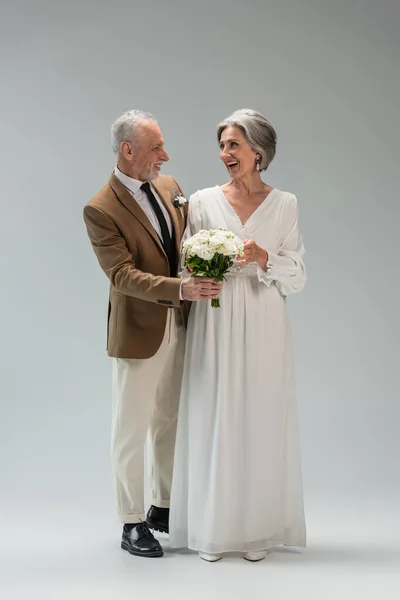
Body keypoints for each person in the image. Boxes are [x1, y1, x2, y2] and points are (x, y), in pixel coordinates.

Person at [169, 108, 307, 562]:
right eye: (223, 144)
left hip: (265, 321)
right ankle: (214, 530)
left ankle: (255, 532)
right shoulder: (204, 202)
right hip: (216, 318)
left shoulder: (285, 204)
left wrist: (264, 256)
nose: (225, 152)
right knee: (214, 413)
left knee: (260, 416)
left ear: (258, 152)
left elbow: (298, 276)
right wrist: (202, 273)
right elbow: (184, 263)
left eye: (234, 145)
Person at [83, 109, 221, 558]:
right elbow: (121, 275)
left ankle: (162, 506)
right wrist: (180, 287)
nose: (166, 154)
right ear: (128, 150)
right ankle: (131, 522)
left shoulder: (170, 187)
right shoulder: (100, 208)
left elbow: (183, 245)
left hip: (180, 323)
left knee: (169, 420)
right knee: (131, 430)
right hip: (140, 331)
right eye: (156, 147)